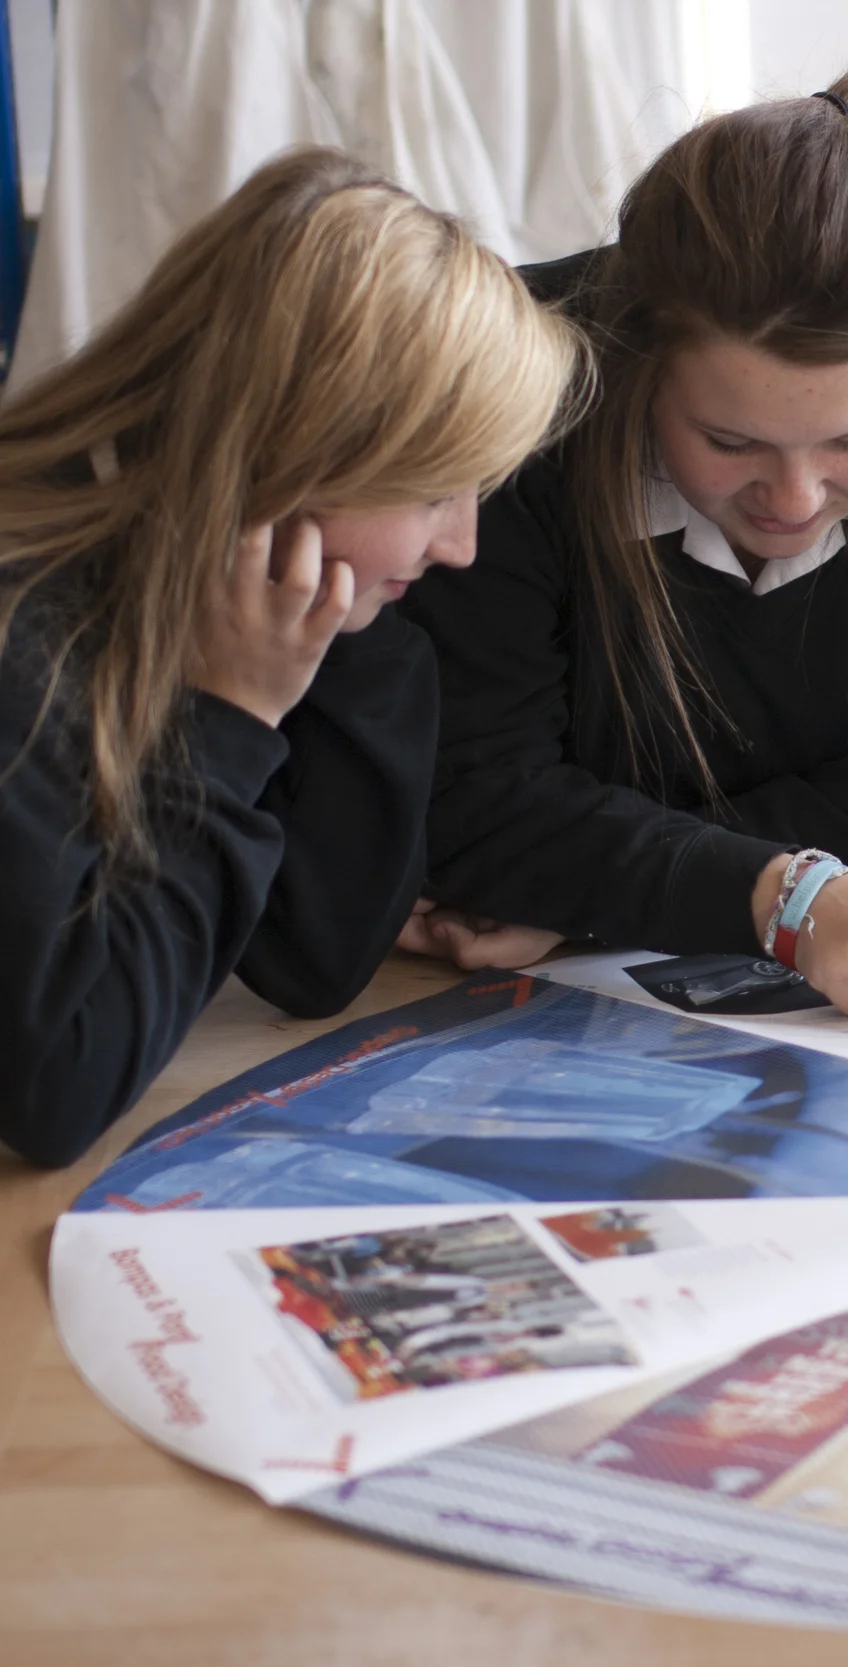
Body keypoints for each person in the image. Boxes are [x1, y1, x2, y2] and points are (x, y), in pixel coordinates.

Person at [397, 65, 848, 1045]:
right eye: (728, 441)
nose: (793, 499)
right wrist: (771, 894)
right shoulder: (517, 389)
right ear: (642, 364)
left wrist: (597, 886)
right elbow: (471, 796)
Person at [0, 149, 580, 1169]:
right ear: (303, 450)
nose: (461, 546)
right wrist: (231, 717)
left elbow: (319, 960)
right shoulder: (27, 630)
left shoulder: (221, 596)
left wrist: (340, 631)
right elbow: (60, 1086)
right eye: (435, 491)